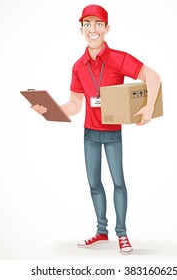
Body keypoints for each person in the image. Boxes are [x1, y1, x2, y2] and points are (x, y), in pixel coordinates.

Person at [32, 4, 161, 255]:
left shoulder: (118, 59)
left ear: (107, 29)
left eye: (98, 24)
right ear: (81, 29)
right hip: (90, 133)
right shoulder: (78, 66)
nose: (93, 30)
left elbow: (153, 77)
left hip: (112, 133)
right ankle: (102, 232)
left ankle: (122, 234)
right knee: (93, 184)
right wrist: (51, 110)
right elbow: (75, 104)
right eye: (87, 24)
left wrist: (148, 107)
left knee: (118, 183)